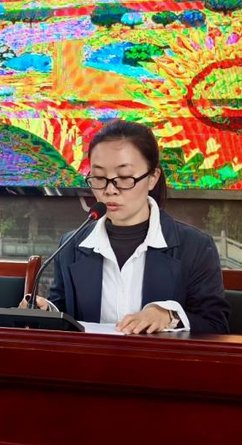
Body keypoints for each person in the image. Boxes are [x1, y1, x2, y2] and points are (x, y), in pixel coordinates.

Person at [23, 119, 230, 334]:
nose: (109, 190)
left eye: (123, 177)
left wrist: (169, 316)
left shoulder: (195, 247)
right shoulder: (71, 246)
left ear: (152, 178)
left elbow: (216, 325)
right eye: (99, 177)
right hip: (90, 356)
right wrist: (46, 311)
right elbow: (65, 313)